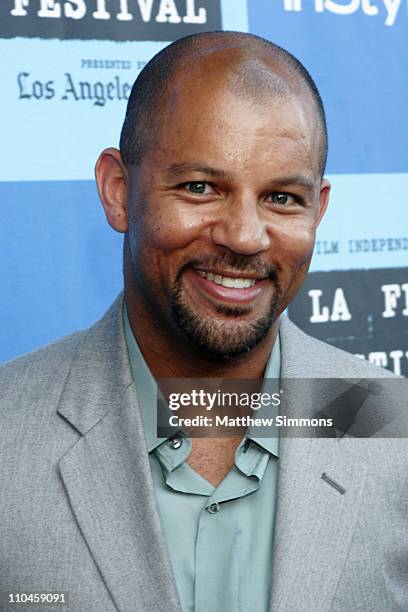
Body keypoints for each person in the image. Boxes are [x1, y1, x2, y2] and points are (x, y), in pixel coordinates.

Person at [0, 31, 407, 612]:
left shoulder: (392, 428)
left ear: (319, 209)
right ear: (118, 191)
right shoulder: (7, 436)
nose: (243, 235)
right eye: (199, 187)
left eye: (282, 198)